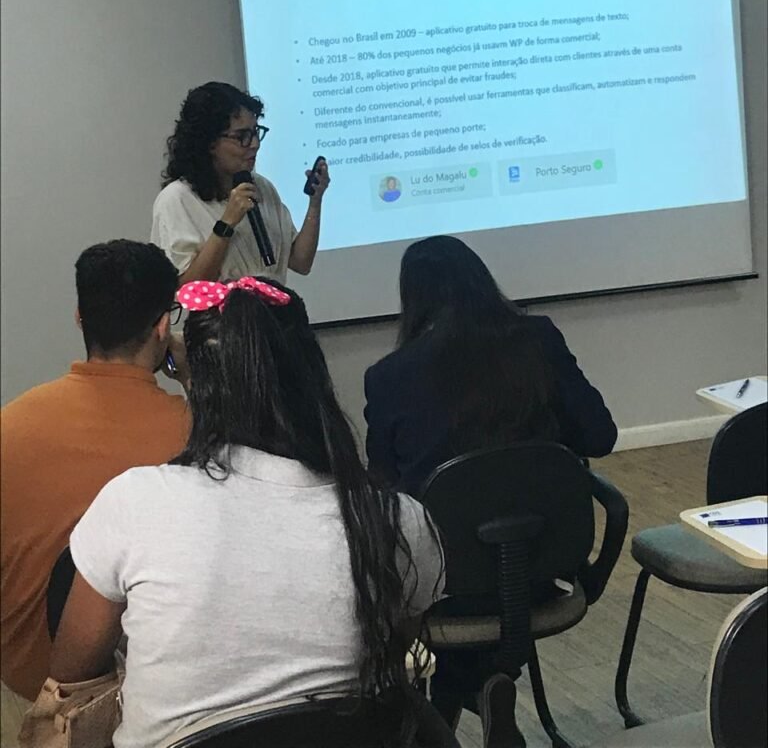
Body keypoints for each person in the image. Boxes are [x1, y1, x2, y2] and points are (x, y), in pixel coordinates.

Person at [48, 276, 444, 748]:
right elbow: (393, 651)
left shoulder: (134, 500)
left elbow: (69, 675)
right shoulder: (396, 519)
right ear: (313, 371)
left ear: (193, 381)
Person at [0, 240, 190, 703]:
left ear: (80, 317)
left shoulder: (10, 425)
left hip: (29, 689)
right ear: (163, 326)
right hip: (149, 692)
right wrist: (191, 380)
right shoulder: (193, 433)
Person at [364, 235, 617, 494]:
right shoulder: (538, 338)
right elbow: (599, 437)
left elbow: (383, 481)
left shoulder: (387, 377)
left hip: (445, 519)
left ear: (412, 298)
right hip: (549, 513)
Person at [151, 81, 330, 286]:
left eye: (255, 132)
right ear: (209, 143)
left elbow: (301, 262)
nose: (255, 144)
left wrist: (315, 203)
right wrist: (227, 223)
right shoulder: (177, 200)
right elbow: (187, 287)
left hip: (271, 306)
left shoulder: (262, 187)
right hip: (220, 308)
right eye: (242, 136)